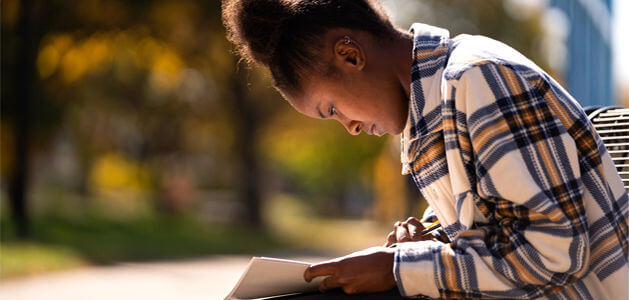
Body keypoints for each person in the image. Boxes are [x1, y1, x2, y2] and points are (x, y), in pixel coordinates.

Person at [221, 0, 629, 298]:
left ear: (349, 54)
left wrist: (400, 269)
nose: (350, 127)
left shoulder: (477, 79)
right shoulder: (432, 115)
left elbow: (556, 251)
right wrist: (425, 239)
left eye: (332, 109)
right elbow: (493, 225)